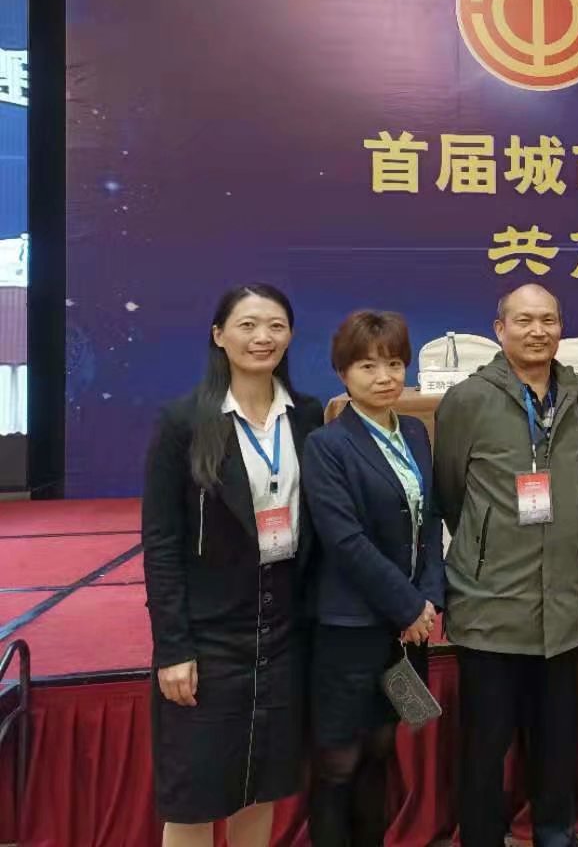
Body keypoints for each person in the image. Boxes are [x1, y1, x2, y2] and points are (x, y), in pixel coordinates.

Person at [141, 284, 324, 847]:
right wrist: (173, 648)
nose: (262, 337)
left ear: (290, 336)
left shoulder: (309, 416)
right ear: (219, 336)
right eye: (247, 325)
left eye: (275, 325)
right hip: (209, 637)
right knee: (194, 795)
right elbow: (161, 543)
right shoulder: (184, 422)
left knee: (261, 787)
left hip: (284, 632)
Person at [433, 283, 578, 847]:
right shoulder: (468, 400)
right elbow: (450, 491)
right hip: (489, 606)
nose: (537, 331)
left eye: (548, 319)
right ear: (499, 329)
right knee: (486, 744)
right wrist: (484, 548)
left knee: (556, 742)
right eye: (524, 320)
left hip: (559, 606)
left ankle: (555, 834)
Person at [301, 310, 445, 846]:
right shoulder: (327, 445)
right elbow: (345, 541)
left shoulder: (415, 432)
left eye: (394, 364)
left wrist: (429, 598)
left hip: (406, 630)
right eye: (367, 366)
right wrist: (407, 605)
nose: (384, 377)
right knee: (339, 762)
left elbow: (430, 522)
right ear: (342, 372)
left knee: (381, 750)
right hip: (350, 627)